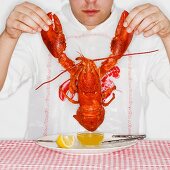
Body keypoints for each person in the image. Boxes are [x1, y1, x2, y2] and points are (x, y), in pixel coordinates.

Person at [0, 0, 170, 139]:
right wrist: (9, 36)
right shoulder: (37, 28)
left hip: (125, 160)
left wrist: (168, 36)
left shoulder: (145, 30)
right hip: (48, 161)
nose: (91, 1)